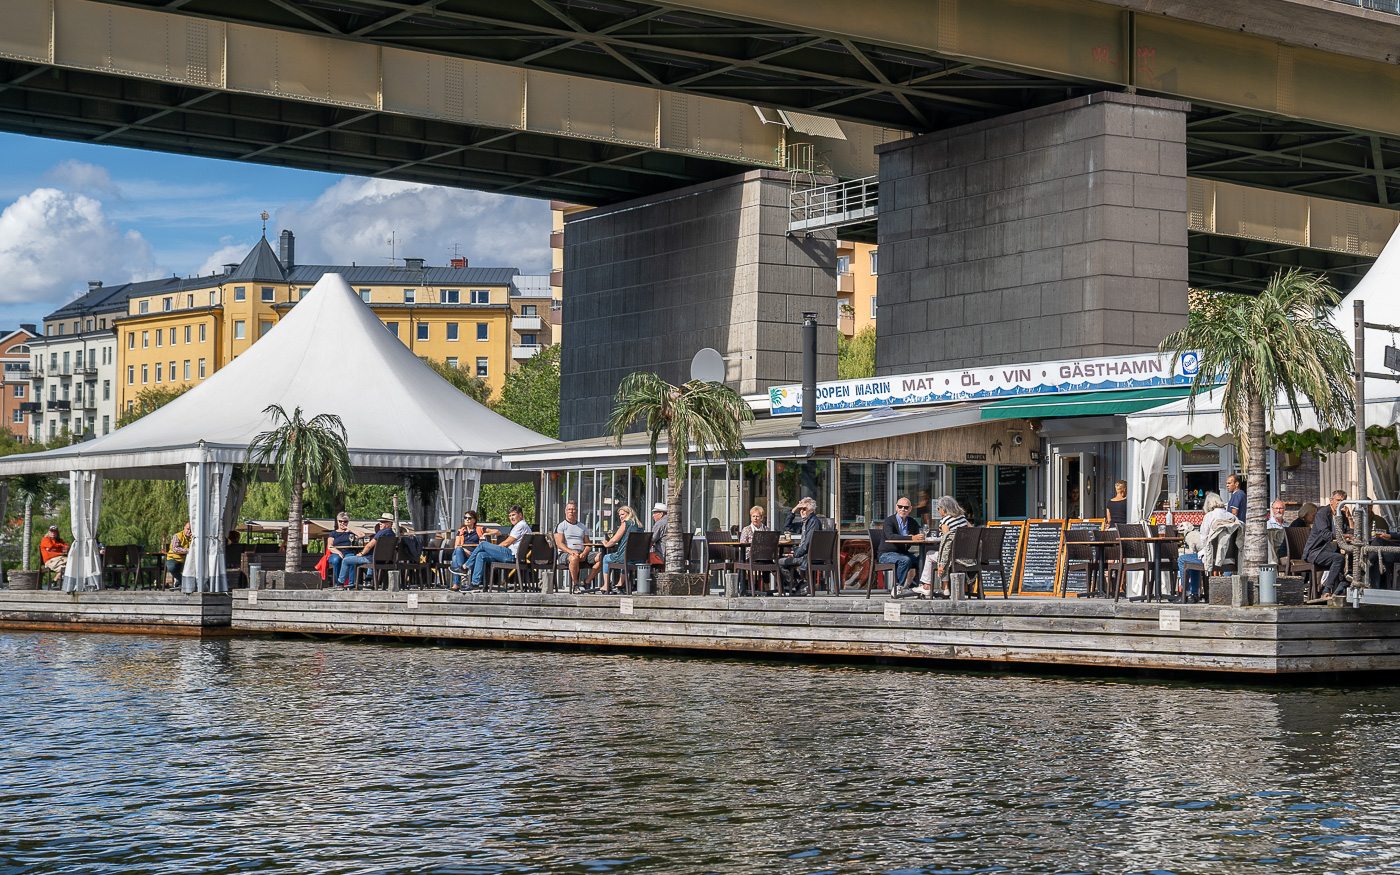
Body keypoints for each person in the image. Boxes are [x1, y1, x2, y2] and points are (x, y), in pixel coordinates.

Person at [1174, 492, 1234, 600]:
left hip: (1212, 558)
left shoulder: (1209, 516)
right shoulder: (1231, 516)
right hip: (1228, 559)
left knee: (1183, 559)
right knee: (1195, 557)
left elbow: (1204, 539)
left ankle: (1186, 594)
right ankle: (1194, 594)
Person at [462, 506, 531, 591]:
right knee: (481, 555)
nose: (511, 518)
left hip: (511, 555)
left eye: (513, 515)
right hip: (512, 555)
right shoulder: (523, 525)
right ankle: (475, 584)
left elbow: (506, 543)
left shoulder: (520, 526)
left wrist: (494, 548)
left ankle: (465, 567)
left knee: (483, 544)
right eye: (510, 516)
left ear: (520, 515)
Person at [918, 496, 969, 598]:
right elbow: (971, 531)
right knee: (938, 557)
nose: (939, 511)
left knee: (930, 555)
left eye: (939, 508)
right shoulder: (963, 518)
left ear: (944, 509)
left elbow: (947, 543)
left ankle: (927, 586)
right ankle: (944, 588)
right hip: (964, 555)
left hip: (952, 556)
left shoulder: (945, 521)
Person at [1304, 490, 1352, 596]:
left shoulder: (1342, 515)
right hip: (1316, 551)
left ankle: (1337, 592)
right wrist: (1345, 536)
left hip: (1332, 550)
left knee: (1354, 561)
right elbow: (1326, 535)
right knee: (1339, 558)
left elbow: (1351, 533)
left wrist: (1349, 517)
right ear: (1331, 501)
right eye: (1338, 500)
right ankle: (1326, 590)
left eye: (1343, 501)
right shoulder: (1322, 514)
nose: (1340, 503)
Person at [589, 505, 639, 593]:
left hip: (624, 557)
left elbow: (614, 540)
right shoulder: (639, 525)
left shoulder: (626, 524)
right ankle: (620, 584)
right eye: (619, 515)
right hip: (636, 558)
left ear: (629, 514)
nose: (620, 517)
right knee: (625, 558)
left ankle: (605, 585)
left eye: (622, 514)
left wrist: (606, 544)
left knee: (605, 558)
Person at [878, 496, 922, 593]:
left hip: (903, 553)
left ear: (910, 509)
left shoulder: (912, 522)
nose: (903, 509)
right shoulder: (889, 521)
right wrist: (911, 538)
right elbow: (891, 536)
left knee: (921, 558)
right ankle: (898, 587)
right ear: (896, 507)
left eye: (906, 507)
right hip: (886, 554)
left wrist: (921, 536)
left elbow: (920, 532)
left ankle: (914, 585)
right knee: (905, 560)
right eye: (900, 506)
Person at [777, 497, 820, 594]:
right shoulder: (806, 522)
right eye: (800, 509)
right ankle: (800, 584)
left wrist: (796, 554)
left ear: (811, 510)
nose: (802, 511)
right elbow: (788, 526)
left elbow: (807, 544)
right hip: (806, 555)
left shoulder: (813, 522)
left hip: (809, 557)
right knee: (784, 561)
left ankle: (797, 585)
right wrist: (793, 510)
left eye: (804, 509)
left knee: (780, 562)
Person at [340, 518, 394, 588]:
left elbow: (369, 545)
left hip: (372, 559)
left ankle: (340, 583)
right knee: (370, 557)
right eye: (380, 522)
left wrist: (362, 553)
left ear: (389, 523)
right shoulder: (392, 534)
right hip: (382, 560)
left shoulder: (381, 532)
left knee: (346, 560)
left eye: (383, 522)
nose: (380, 523)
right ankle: (369, 579)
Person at [554, 501, 592, 592]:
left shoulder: (582, 526)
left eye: (573, 509)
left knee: (600, 557)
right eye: (569, 509)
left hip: (581, 553)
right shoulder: (561, 526)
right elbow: (559, 544)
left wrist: (585, 552)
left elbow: (588, 544)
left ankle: (587, 580)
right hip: (565, 554)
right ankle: (576, 585)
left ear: (577, 511)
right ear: (565, 511)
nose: (571, 511)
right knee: (574, 558)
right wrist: (571, 551)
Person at [324, 513, 356, 585]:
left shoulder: (350, 533)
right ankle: (338, 582)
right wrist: (338, 552)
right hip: (335, 553)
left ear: (348, 522)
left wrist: (350, 530)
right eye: (340, 521)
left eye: (345, 521)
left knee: (351, 559)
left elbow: (362, 535)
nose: (342, 523)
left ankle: (351, 583)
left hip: (348, 552)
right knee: (336, 560)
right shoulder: (333, 533)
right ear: (337, 521)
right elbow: (330, 546)